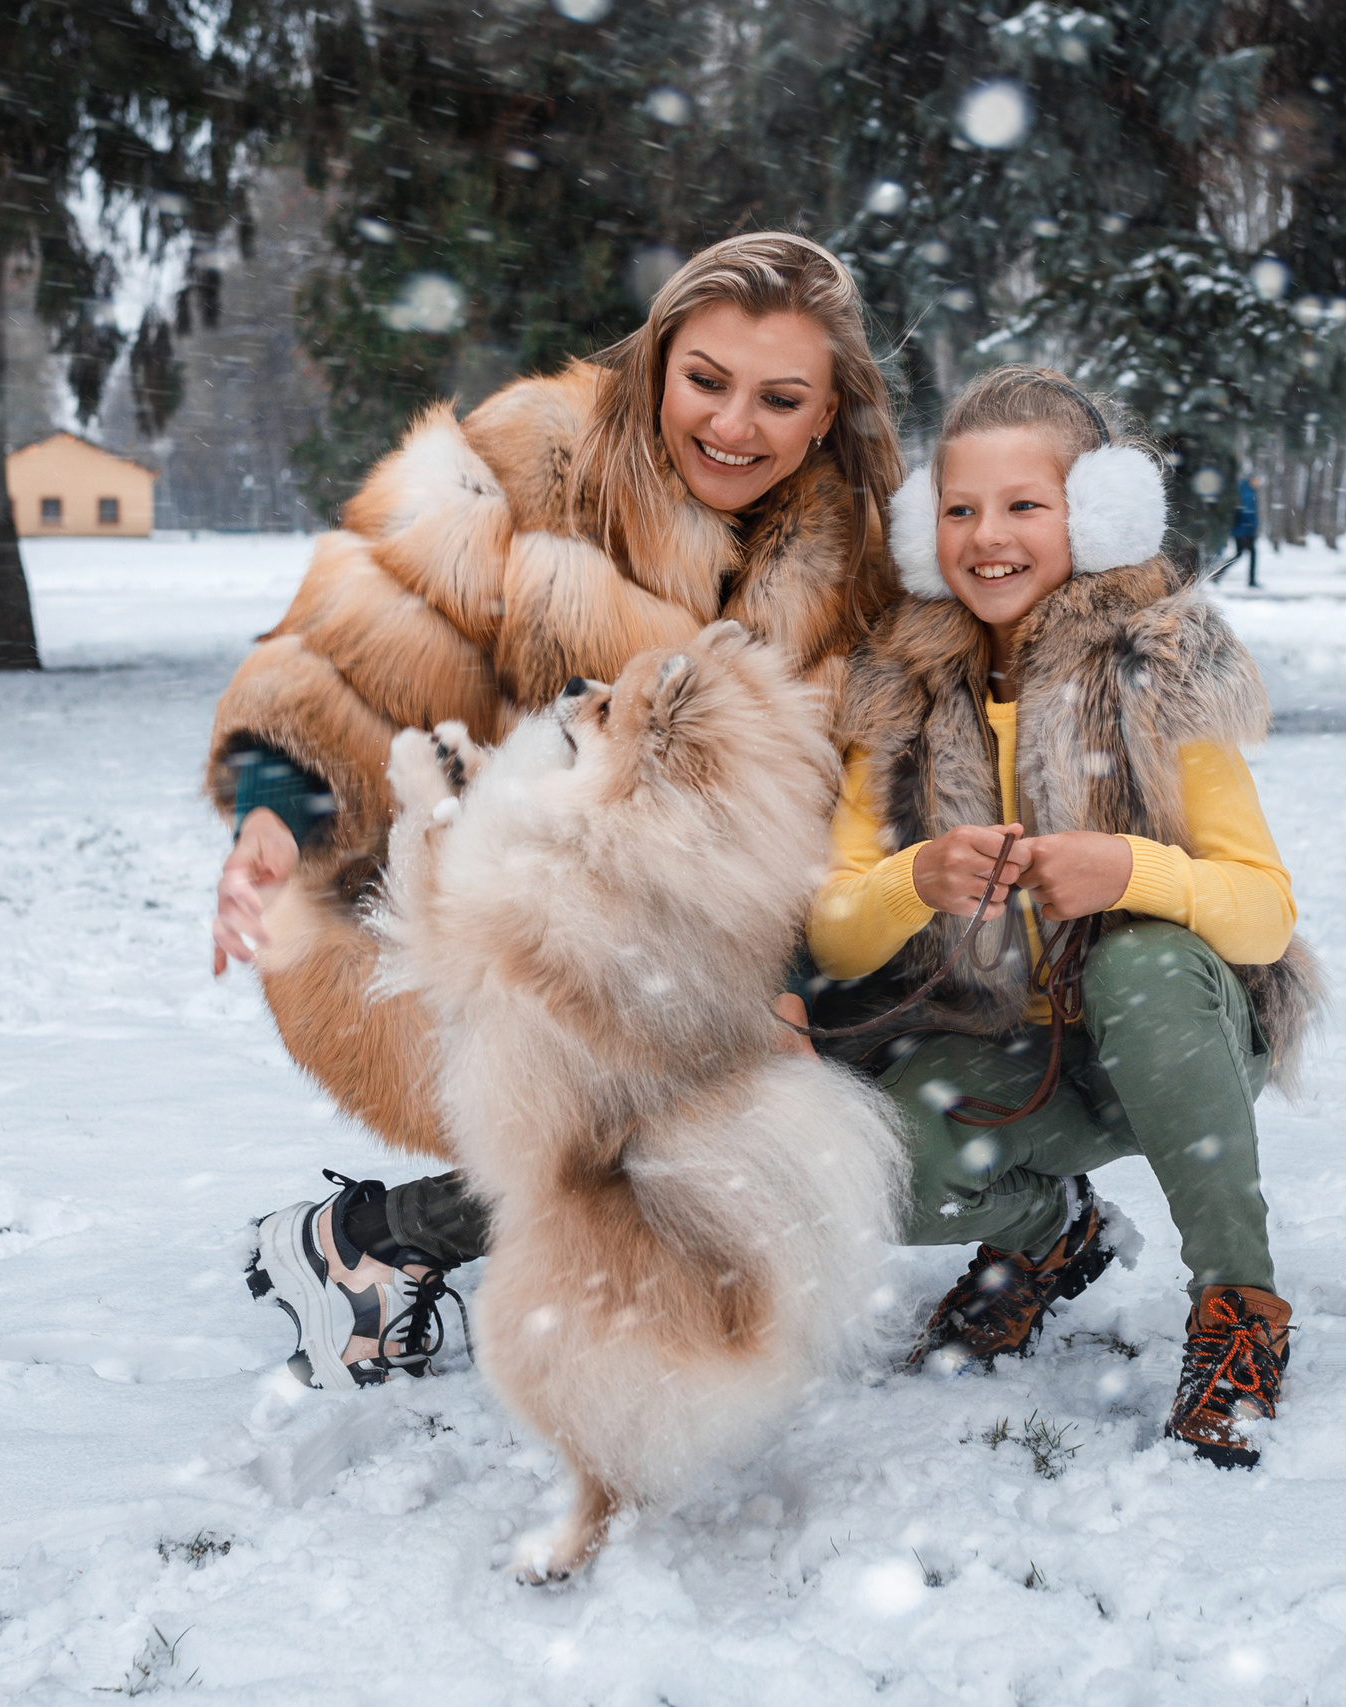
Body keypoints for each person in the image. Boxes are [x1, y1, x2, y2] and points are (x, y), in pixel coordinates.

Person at [213, 233, 904, 1388]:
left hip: (675, 938)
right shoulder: (528, 462)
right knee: (657, 1085)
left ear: (829, 413)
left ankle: (409, 1247)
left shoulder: (851, 565)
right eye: (706, 382)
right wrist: (272, 813)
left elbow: (817, 817)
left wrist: (783, 977)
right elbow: (343, 655)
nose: (735, 425)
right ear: (657, 363)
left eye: (781, 398)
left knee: (797, 1094)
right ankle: (365, 1246)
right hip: (433, 913)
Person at [803, 367, 1321, 1466]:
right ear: (919, 527)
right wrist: (917, 880)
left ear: (1095, 517)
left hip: (1181, 1043)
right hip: (1014, 1055)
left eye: (1023, 506)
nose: (987, 536)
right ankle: (1054, 1236)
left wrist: (1131, 872)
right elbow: (836, 931)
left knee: (1139, 968)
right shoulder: (897, 696)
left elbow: (1265, 915)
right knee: (861, 1165)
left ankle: (1238, 1308)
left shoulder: (1159, 669)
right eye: (958, 509)